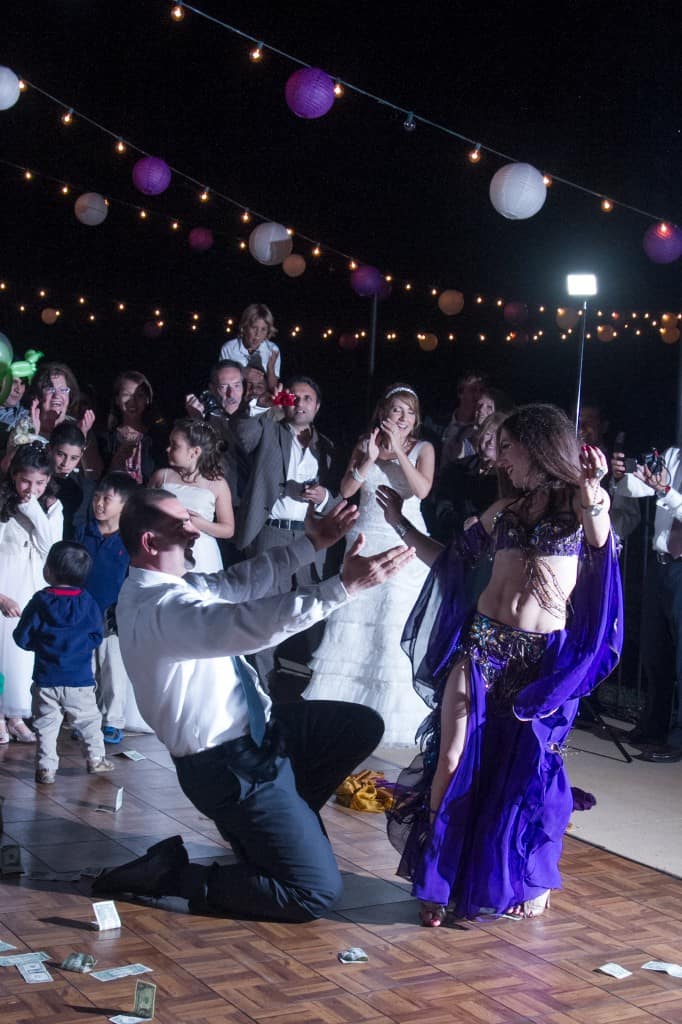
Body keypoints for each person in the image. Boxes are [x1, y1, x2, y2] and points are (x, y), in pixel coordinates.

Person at [90, 487, 414, 921]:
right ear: (150, 543)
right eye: (181, 525)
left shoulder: (175, 587)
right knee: (315, 892)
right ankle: (170, 876)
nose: (195, 532)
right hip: (230, 767)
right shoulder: (161, 608)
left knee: (357, 725)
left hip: (262, 733)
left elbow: (241, 583)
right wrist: (343, 587)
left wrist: (311, 543)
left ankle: (274, 834)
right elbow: (250, 624)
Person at [377, 404, 623, 924]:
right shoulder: (504, 512)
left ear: (535, 446)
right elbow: (448, 561)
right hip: (482, 647)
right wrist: (399, 522)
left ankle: (524, 877)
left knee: (524, 777)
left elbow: (600, 536)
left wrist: (595, 488)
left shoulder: (580, 503)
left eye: (507, 447)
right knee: (450, 759)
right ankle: (435, 883)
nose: (499, 459)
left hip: (540, 665)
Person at [303, 383, 435, 745]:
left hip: (402, 538)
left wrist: (400, 455)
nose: (403, 417)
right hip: (364, 536)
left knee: (392, 621)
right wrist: (371, 458)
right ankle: (344, 708)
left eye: (409, 412)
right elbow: (346, 490)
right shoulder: (366, 443)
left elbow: (422, 491)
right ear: (383, 413)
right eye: (396, 410)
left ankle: (391, 714)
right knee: (355, 620)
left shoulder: (424, 449)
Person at [232, 375, 339, 692]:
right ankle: (263, 688)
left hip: (310, 537)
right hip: (271, 533)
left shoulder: (327, 447)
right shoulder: (269, 431)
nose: (300, 403)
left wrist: (324, 498)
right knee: (266, 610)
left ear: (317, 406)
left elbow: (341, 494)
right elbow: (242, 434)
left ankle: (316, 685)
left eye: (307, 398)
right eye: (294, 397)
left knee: (314, 611)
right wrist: (264, 403)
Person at [12, 540, 114, 783]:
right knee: (89, 720)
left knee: (46, 725)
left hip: (46, 679)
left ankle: (46, 769)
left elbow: (22, 637)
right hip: (80, 679)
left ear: (48, 571)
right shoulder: (87, 601)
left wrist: (41, 646)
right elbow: (96, 635)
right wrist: (79, 649)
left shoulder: (40, 601)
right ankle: (96, 759)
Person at [611, 445, 682, 761]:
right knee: (656, 653)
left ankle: (678, 739)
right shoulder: (673, 454)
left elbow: (664, 493)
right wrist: (621, 476)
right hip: (662, 562)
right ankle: (653, 726)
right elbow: (639, 487)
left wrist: (665, 490)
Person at [0, 444, 63, 743]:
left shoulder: (50, 506)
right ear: (14, 475)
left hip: (31, 587)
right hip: (5, 585)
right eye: (26, 481)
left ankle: (16, 716)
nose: (32, 489)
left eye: (39, 482)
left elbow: (49, 549)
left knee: (21, 657)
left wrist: (34, 510)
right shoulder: (3, 504)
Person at [74, 471, 141, 744]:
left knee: (113, 668)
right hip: (84, 613)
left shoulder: (129, 540)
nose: (99, 503)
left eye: (108, 499)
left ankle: (113, 720)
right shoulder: (82, 532)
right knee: (86, 669)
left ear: (124, 506)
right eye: (98, 497)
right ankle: (87, 719)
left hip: (113, 615)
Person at [149, 418, 234, 573]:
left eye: (174, 446)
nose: (168, 449)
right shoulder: (161, 477)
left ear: (194, 452)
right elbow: (144, 513)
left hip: (201, 554)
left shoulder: (217, 484)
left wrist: (198, 523)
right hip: (164, 550)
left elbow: (228, 529)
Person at [97, 370, 166, 483]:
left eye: (139, 395)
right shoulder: (105, 437)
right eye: (126, 395)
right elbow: (100, 479)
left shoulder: (158, 438)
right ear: (117, 399)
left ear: (147, 399)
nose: (132, 401)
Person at [219, 302, 281, 384]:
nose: (258, 334)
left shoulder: (273, 350)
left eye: (263, 329)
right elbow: (221, 381)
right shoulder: (229, 348)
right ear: (244, 327)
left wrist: (270, 369)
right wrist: (242, 373)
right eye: (254, 328)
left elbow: (273, 388)